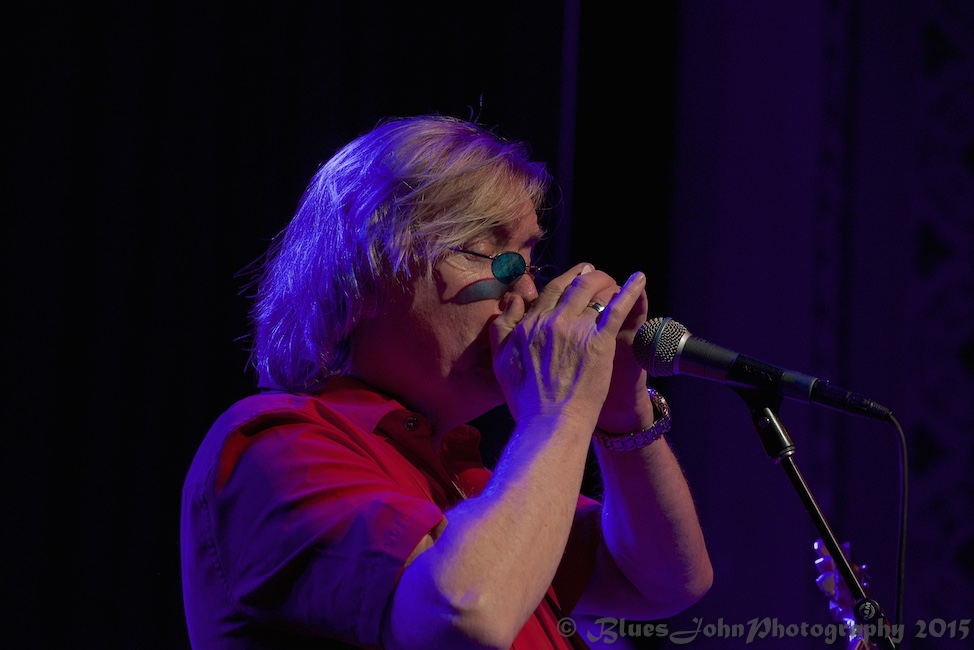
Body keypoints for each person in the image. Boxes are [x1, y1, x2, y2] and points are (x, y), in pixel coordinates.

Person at [180, 114, 713, 649]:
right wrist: (561, 413)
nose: (527, 293)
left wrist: (623, 414)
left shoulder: (474, 480)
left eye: (529, 260)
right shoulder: (274, 445)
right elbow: (463, 617)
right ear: (367, 273)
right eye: (494, 256)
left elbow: (664, 581)